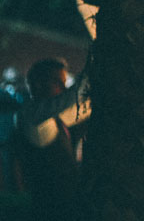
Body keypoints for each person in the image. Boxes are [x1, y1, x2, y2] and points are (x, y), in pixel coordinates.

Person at [15, 58, 91, 220]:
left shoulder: (47, 117)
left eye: (64, 82)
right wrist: (95, 68)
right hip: (52, 212)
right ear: (37, 84)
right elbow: (75, 98)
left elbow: (80, 107)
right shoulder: (32, 116)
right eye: (58, 82)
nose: (63, 88)